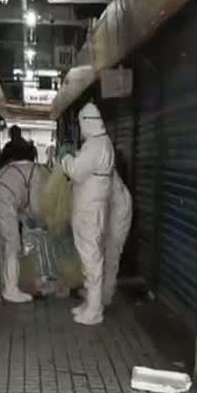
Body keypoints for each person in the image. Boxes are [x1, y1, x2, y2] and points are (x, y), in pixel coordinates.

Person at [60, 102, 132, 325]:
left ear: (86, 123)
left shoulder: (96, 145)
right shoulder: (100, 143)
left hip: (92, 210)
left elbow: (76, 171)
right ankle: (93, 302)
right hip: (95, 209)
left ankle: (94, 309)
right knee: (91, 256)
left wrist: (65, 158)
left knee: (93, 257)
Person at [0, 139, 47, 303]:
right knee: (13, 244)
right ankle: (11, 290)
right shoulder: (35, 171)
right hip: (5, 201)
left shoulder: (14, 166)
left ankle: (5, 281)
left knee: (1, 242)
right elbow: (34, 204)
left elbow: (22, 200)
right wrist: (42, 221)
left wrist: (27, 216)